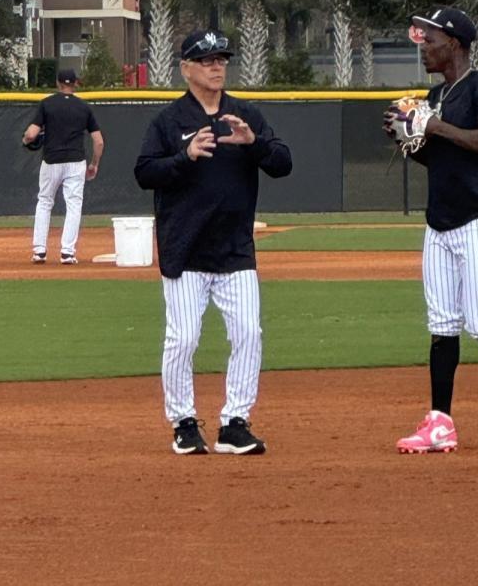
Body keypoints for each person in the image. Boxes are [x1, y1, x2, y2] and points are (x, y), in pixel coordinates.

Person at [134, 29, 292, 456]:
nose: (216, 65)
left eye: (221, 58)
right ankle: (184, 422)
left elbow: (283, 163)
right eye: (206, 60)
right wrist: (184, 158)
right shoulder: (169, 122)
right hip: (185, 248)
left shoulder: (244, 115)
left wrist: (253, 144)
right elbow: (145, 172)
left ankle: (234, 423)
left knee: (248, 334)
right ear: (186, 69)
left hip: (235, 248)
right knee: (182, 339)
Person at [384, 7, 478, 454]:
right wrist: (409, 140)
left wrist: (435, 125)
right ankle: (440, 421)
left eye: (430, 39)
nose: (423, 47)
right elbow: (443, 156)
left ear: (456, 44)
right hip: (441, 222)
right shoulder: (436, 94)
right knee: (442, 325)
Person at [22, 69, 103, 265]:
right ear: (76, 83)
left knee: (44, 202)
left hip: (51, 161)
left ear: (58, 84)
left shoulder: (47, 104)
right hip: (76, 162)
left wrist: (26, 140)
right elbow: (99, 141)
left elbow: (32, 134)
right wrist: (94, 164)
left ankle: (39, 251)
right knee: (73, 205)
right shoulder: (84, 107)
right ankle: (67, 252)